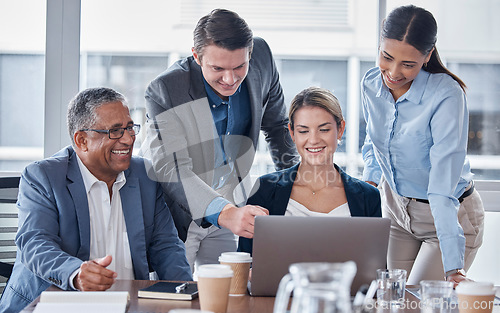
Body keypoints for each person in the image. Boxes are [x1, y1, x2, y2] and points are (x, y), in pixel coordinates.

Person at [0, 87, 192, 313]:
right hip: (52, 303)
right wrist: (75, 273)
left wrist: (188, 294)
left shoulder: (144, 174)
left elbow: (166, 246)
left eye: (130, 128)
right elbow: (35, 244)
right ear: (82, 140)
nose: (128, 139)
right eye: (115, 131)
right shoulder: (43, 176)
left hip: (129, 305)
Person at [141, 8, 298, 273]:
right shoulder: (166, 90)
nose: (230, 79)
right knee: (176, 296)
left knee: (234, 291)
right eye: (218, 69)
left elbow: (277, 126)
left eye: (239, 67)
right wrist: (225, 213)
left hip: (233, 197)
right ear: (196, 56)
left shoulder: (262, 58)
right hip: (180, 213)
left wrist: (294, 183)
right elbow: (172, 169)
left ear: (250, 53)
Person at [361, 5, 484, 285]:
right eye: (386, 56)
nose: (393, 72)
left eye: (408, 64)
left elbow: (442, 186)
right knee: (395, 298)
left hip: (446, 213)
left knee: (418, 302)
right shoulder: (370, 83)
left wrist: (454, 266)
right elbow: (374, 139)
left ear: (428, 55)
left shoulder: (446, 95)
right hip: (397, 211)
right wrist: (369, 185)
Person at [239, 87, 382, 254]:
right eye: (303, 131)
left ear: (340, 129)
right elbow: (244, 260)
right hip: (279, 281)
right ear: (292, 133)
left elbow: (376, 267)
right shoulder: (265, 189)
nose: (313, 140)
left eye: (324, 129)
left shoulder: (368, 197)